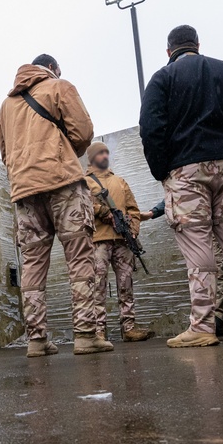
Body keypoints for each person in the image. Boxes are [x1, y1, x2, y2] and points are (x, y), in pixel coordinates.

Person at [138, 25, 223, 347]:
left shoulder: (162, 78)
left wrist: (162, 172)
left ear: (169, 51)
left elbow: (151, 129)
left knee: (199, 250)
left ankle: (203, 328)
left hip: (185, 170)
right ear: (197, 45)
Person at [0, 54, 112, 356]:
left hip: (24, 192)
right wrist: (61, 154)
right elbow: (84, 133)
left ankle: (36, 341)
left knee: (33, 265)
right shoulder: (59, 86)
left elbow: (5, 151)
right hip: (63, 184)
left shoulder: (6, 105)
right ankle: (86, 336)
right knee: (80, 258)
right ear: (53, 68)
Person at [84, 142, 153, 342]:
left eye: (107, 152)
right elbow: (82, 205)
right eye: (100, 153)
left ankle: (129, 328)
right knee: (98, 286)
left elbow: (133, 210)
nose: (105, 155)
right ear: (92, 157)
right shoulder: (84, 182)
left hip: (123, 241)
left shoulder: (120, 181)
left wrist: (132, 231)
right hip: (98, 241)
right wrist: (102, 211)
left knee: (126, 284)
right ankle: (98, 331)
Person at [144, 199, 223, 336]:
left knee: (217, 269)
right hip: (200, 225)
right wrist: (153, 212)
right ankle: (212, 319)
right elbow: (177, 192)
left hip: (217, 222)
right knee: (204, 271)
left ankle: (215, 319)